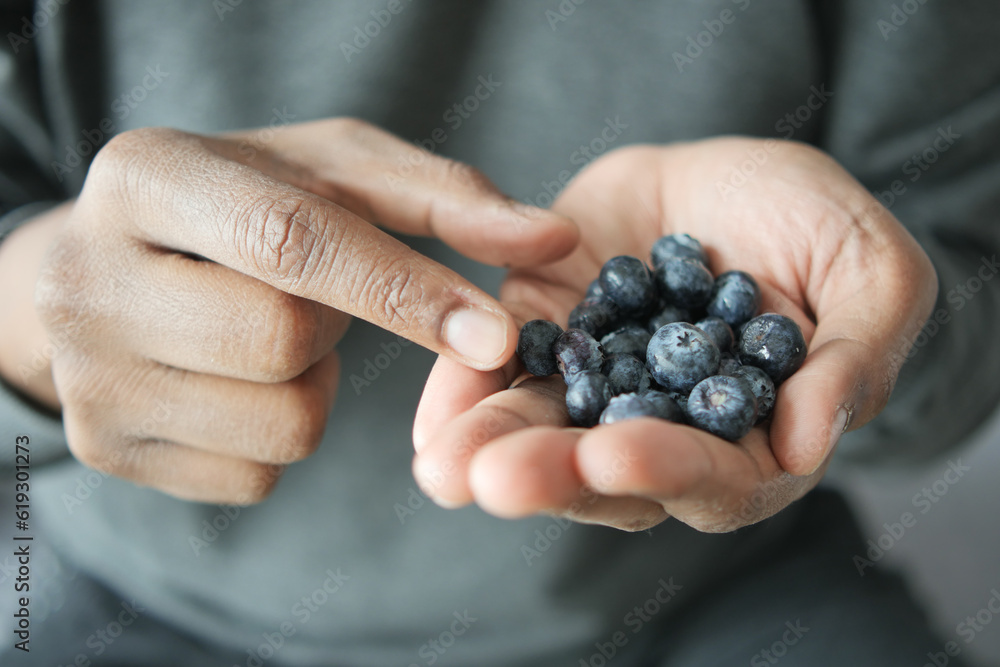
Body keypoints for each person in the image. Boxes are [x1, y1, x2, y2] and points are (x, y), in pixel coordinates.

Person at [1, 1, 997, 665]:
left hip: (704, 595)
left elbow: (968, 289)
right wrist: (34, 315)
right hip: (153, 598)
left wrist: (883, 328)